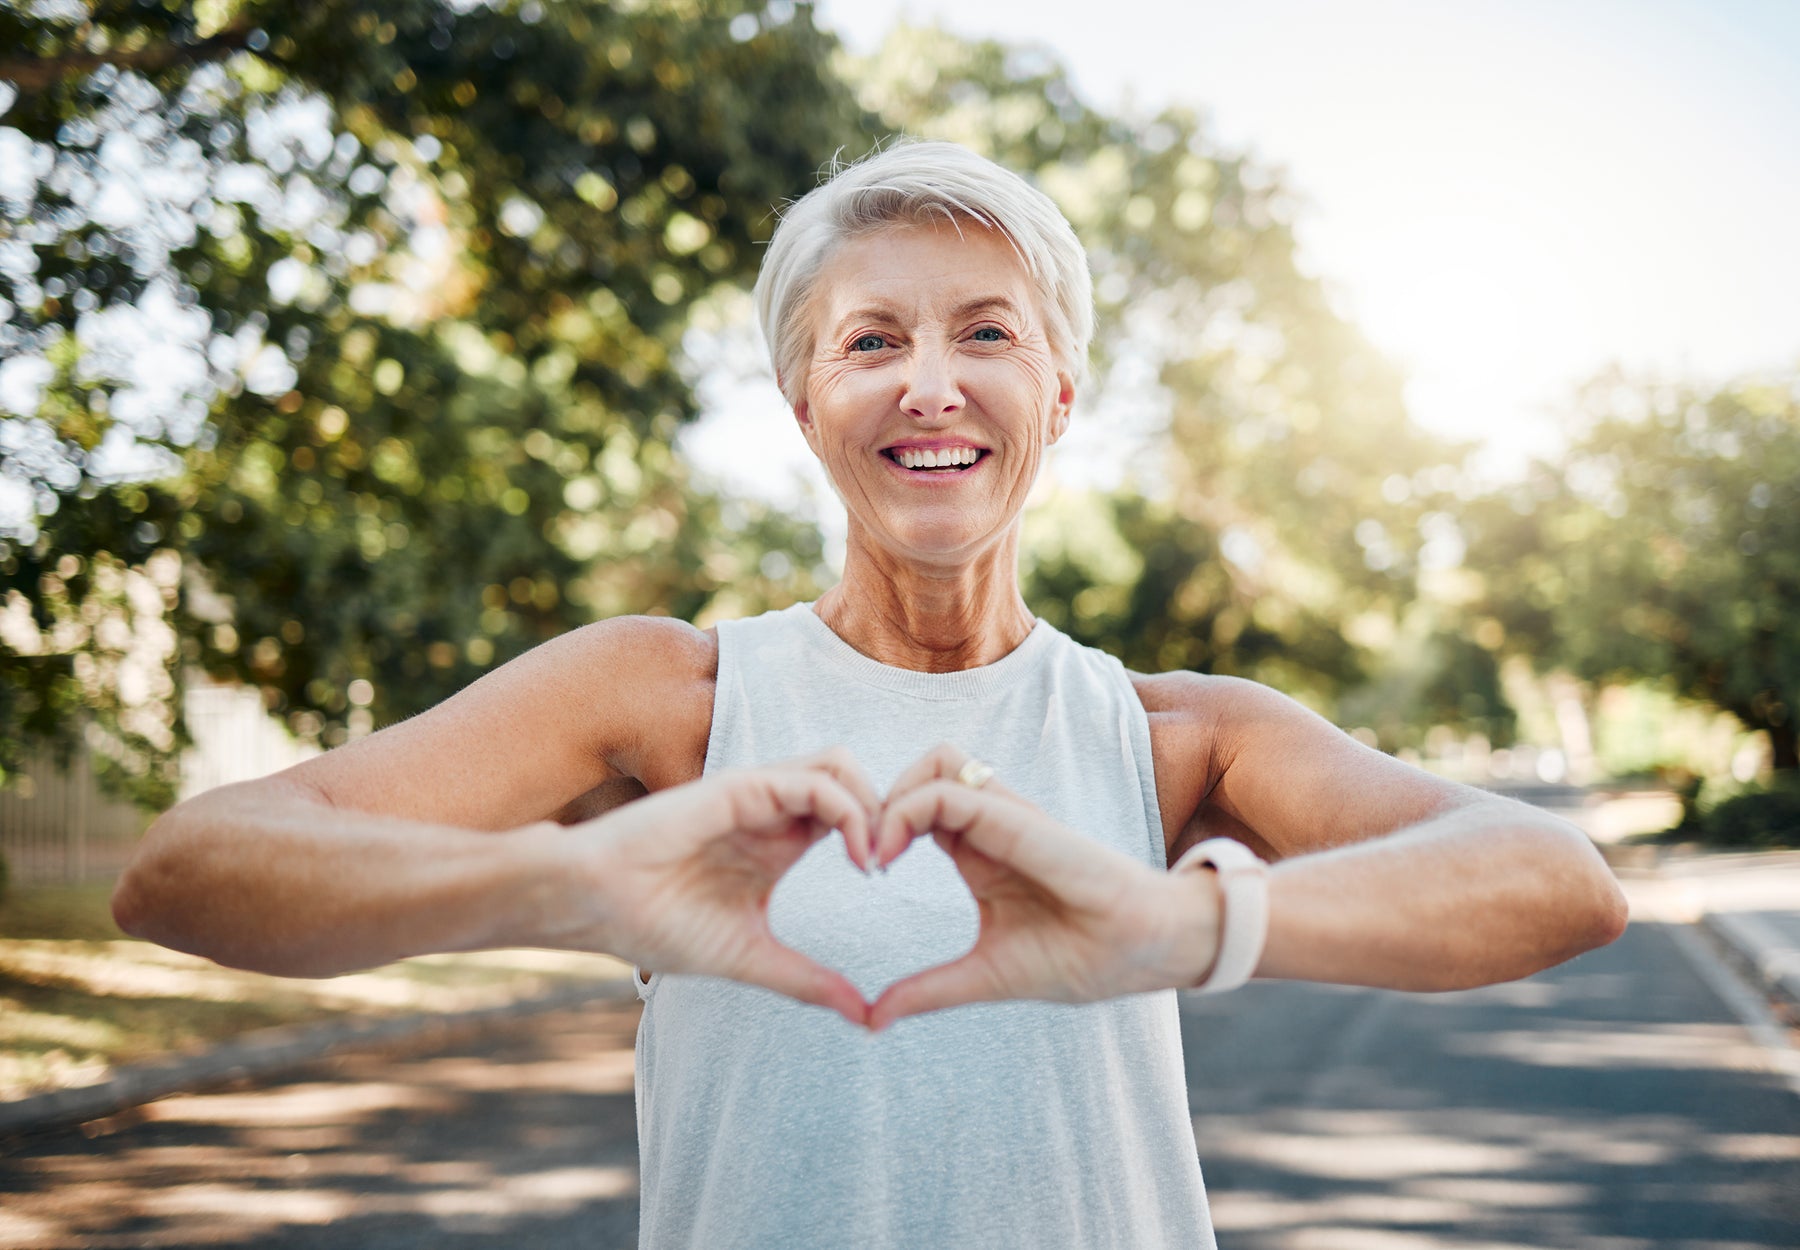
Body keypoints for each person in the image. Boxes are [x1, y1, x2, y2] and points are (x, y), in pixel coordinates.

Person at [112, 139, 1629, 1249]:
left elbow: (1557, 882)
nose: (931, 382)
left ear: (1058, 396)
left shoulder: (1174, 737)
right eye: (872, 341)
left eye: (987, 333)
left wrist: (1184, 922)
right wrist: (573, 883)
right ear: (803, 404)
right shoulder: (667, 697)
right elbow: (183, 873)